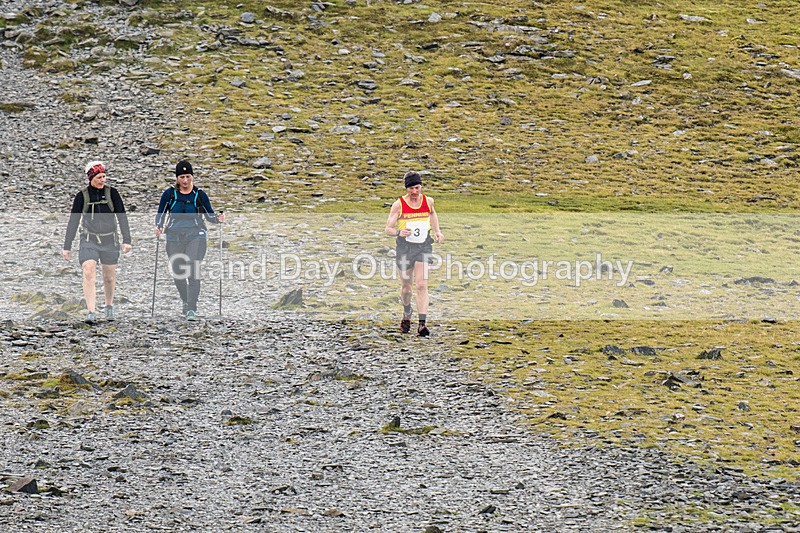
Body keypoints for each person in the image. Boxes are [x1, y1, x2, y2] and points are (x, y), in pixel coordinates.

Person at [63, 161, 133, 323]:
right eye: (99, 177)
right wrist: (67, 246)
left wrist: (127, 240)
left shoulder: (112, 193)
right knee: (88, 271)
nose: (102, 180)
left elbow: (122, 216)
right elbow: (73, 221)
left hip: (110, 240)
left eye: (104, 176)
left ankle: (108, 306)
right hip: (89, 239)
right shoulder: (82, 196)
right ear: (90, 178)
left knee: (109, 277)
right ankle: (91, 311)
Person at [154, 160, 225, 321]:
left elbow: (209, 215)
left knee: (193, 269)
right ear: (177, 178)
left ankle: (192, 308)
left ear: (192, 176)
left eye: (188, 176)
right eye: (181, 177)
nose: (185, 181)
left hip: (196, 235)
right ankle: (186, 301)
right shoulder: (170, 194)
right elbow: (161, 214)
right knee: (178, 272)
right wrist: (158, 227)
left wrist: (218, 219)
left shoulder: (199, 195)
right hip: (173, 235)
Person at [384, 171, 444, 336]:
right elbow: (387, 228)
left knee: (422, 284)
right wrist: (398, 232)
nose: (414, 192)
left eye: (417, 188)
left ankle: (422, 324)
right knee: (406, 288)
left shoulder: (428, 201)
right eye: (411, 189)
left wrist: (437, 231)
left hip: (423, 247)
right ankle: (406, 311)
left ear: (421, 186)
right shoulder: (399, 205)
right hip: (405, 248)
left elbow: (432, 214)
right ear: (406, 188)